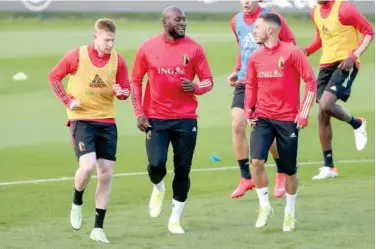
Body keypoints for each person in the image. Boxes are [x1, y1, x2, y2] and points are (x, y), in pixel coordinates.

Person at [130, 6, 214, 234]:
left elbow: (208, 81)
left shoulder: (194, 48)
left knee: (183, 169)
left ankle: (175, 218)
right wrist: (139, 112)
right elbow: (135, 81)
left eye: (184, 20)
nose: (183, 24)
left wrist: (195, 86)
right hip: (156, 118)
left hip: (186, 118)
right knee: (156, 164)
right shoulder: (147, 48)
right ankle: (158, 187)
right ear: (164, 22)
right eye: (178, 20)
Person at [48, 18, 130, 243]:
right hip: (81, 119)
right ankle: (77, 201)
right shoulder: (77, 55)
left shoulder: (118, 61)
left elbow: (126, 91)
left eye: (113, 40)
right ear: (95, 37)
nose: (110, 45)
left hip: (107, 122)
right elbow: (54, 77)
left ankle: (98, 228)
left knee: (106, 174)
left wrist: (120, 91)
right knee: (87, 166)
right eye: (106, 40)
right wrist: (67, 100)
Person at [245, 13, 316, 231]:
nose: (254, 31)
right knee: (255, 162)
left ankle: (289, 212)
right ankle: (264, 206)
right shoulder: (255, 57)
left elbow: (311, 82)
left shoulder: (293, 52)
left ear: (270, 30)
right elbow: (251, 84)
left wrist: (303, 113)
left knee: (289, 171)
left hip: (287, 119)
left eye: (257, 27)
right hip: (263, 117)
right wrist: (249, 109)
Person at [228, 0, 296, 199]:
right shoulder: (235, 21)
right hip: (244, 81)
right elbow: (242, 49)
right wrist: (235, 70)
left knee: (266, 132)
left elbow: (291, 46)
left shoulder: (272, 18)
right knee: (237, 124)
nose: (246, 2)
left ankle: (281, 173)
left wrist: (280, 70)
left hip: (267, 80)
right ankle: (245, 178)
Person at [303, 0, 374, 180]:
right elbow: (321, 39)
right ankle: (329, 167)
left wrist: (353, 56)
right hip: (325, 65)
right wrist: (307, 51)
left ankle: (357, 123)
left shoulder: (344, 8)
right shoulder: (315, 12)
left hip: (344, 64)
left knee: (326, 104)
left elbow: (369, 32)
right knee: (322, 113)